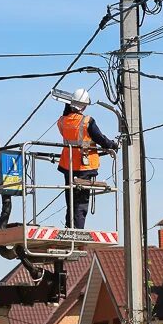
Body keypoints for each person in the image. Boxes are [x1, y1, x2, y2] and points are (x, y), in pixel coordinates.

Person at [57, 88, 118, 229]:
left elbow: (66, 130)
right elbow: (100, 139)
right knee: (81, 203)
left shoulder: (62, 121)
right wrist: (112, 145)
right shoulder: (87, 121)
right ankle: (78, 231)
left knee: (71, 201)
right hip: (85, 166)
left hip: (68, 166)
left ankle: (69, 228)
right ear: (83, 106)